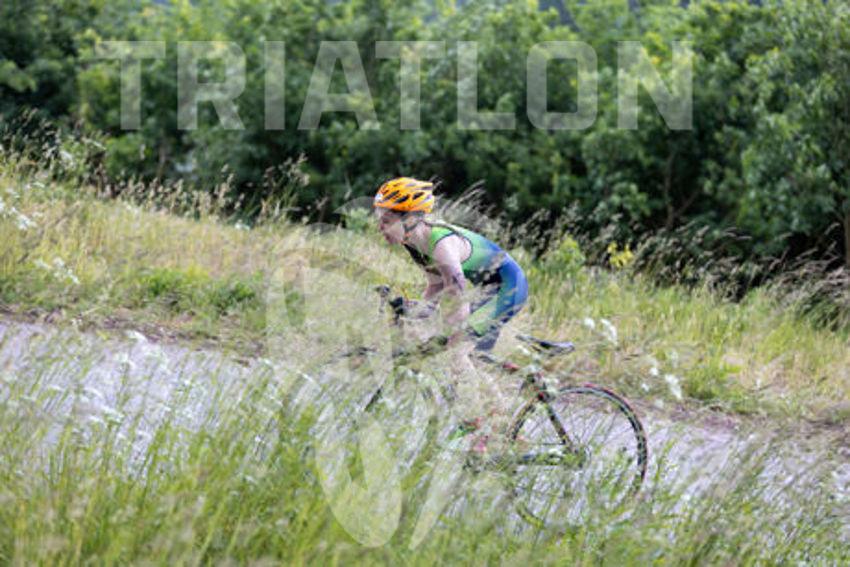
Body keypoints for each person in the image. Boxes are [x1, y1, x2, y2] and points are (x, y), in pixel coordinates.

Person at [373, 176, 529, 453]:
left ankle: (477, 424)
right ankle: (508, 431)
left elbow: (458, 296)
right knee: (471, 359)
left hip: (508, 287)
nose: (380, 227)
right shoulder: (415, 243)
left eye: (386, 220)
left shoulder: (441, 245)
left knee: (458, 352)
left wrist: (445, 330)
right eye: (379, 219)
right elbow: (435, 287)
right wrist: (413, 311)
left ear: (410, 219)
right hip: (487, 288)